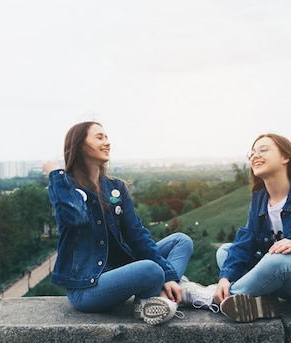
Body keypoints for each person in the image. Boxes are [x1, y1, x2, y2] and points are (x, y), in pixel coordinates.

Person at [183, 133, 291, 322]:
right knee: (225, 252)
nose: (255, 155)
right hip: (290, 288)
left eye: (263, 150)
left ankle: (211, 298)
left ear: (285, 157)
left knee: (279, 261)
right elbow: (244, 244)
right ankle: (260, 302)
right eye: (252, 153)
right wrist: (224, 278)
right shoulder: (260, 200)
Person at [43, 121, 194, 325]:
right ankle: (168, 294)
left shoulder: (115, 187)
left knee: (181, 241)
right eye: (99, 137)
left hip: (118, 272)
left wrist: (167, 275)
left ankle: (158, 298)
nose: (107, 142)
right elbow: (75, 218)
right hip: (87, 288)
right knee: (151, 269)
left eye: (106, 137)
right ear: (79, 145)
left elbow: (136, 234)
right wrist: (56, 175)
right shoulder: (65, 187)